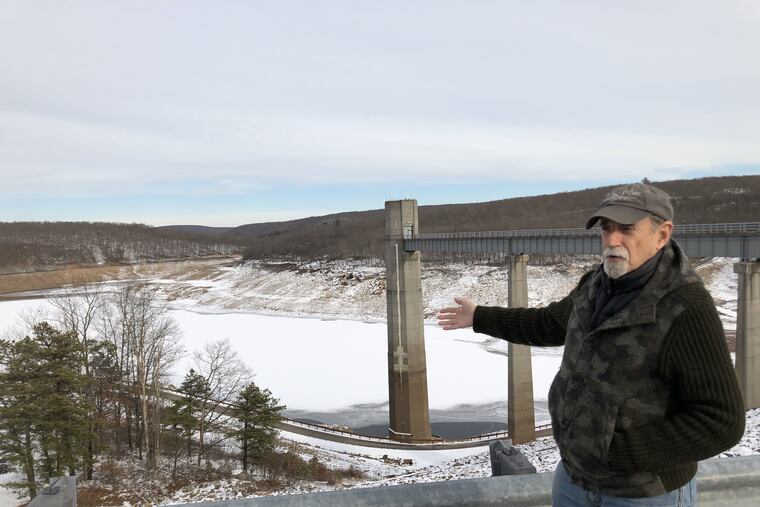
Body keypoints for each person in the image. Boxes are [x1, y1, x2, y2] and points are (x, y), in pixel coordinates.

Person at [437, 183, 745, 506]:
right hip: (575, 481)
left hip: (642, 495)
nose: (612, 240)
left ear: (662, 234)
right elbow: (548, 324)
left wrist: (619, 453)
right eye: (606, 228)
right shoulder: (596, 285)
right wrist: (479, 317)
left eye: (626, 229)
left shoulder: (685, 308)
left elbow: (722, 420)